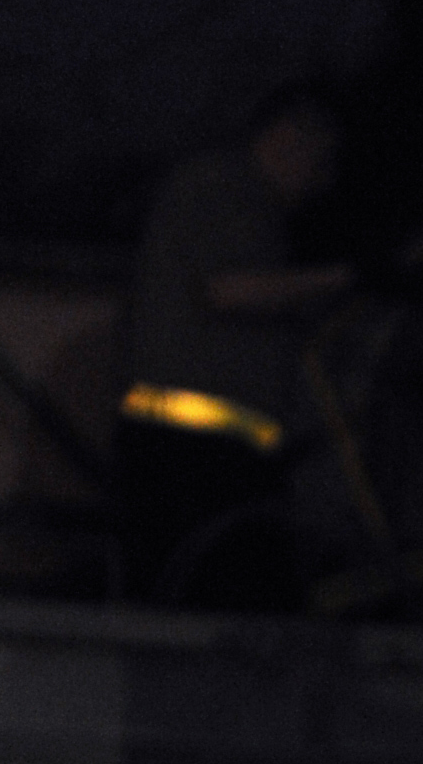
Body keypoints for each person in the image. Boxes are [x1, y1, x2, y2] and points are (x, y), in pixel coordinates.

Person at [117, 86, 352, 602]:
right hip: (191, 448)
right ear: (287, 138)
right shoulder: (222, 187)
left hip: (220, 447)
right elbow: (228, 289)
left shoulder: (252, 208)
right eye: (320, 163)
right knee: (206, 594)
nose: (322, 183)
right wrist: (342, 278)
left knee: (226, 590)